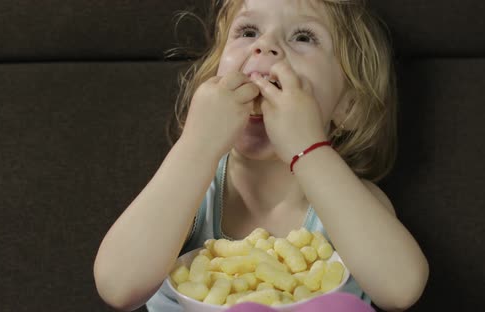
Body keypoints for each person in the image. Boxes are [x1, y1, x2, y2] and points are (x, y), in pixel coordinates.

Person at [93, 0, 429, 311]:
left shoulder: (351, 202)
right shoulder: (191, 193)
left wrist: (307, 149)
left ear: (349, 106)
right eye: (248, 31)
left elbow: (400, 289)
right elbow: (118, 286)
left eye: (303, 37)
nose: (264, 45)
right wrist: (196, 145)